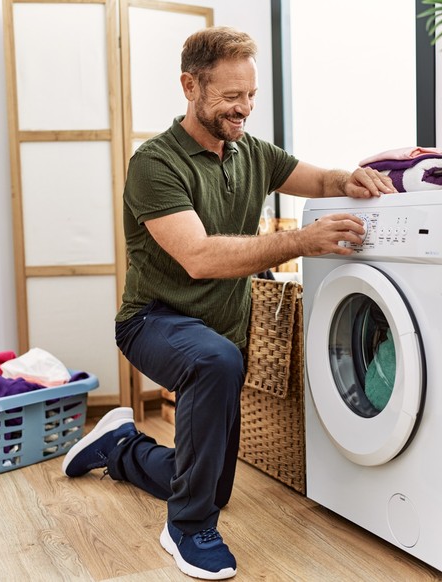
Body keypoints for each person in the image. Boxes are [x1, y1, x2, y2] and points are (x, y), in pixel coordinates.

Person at [61, 26, 396, 580]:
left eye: (251, 96)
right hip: (153, 321)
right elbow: (198, 256)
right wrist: (297, 242)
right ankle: (187, 529)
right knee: (214, 364)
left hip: (220, 338)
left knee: (211, 481)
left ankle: (118, 447)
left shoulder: (251, 153)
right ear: (190, 86)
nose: (244, 109)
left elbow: (315, 178)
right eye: (230, 97)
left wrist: (350, 178)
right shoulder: (156, 162)